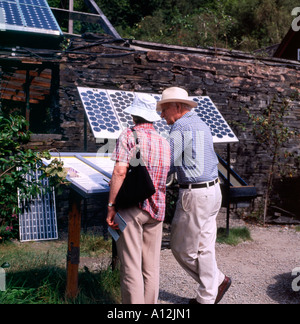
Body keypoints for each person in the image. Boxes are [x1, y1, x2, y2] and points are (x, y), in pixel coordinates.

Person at [157, 87, 231, 305]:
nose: (162, 115)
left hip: (195, 195)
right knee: (204, 247)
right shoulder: (200, 124)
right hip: (214, 190)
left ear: (178, 107)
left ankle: (215, 282)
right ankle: (208, 295)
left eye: (164, 109)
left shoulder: (180, 126)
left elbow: (170, 163)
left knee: (180, 248)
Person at [106, 93, 170, 304]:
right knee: (151, 268)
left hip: (134, 207)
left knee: (131, 267)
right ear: (152, 117)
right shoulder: (164, 142)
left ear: (134, 115)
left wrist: (111, 205)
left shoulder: (129, 135)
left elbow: (120, 171)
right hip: (158, 208)